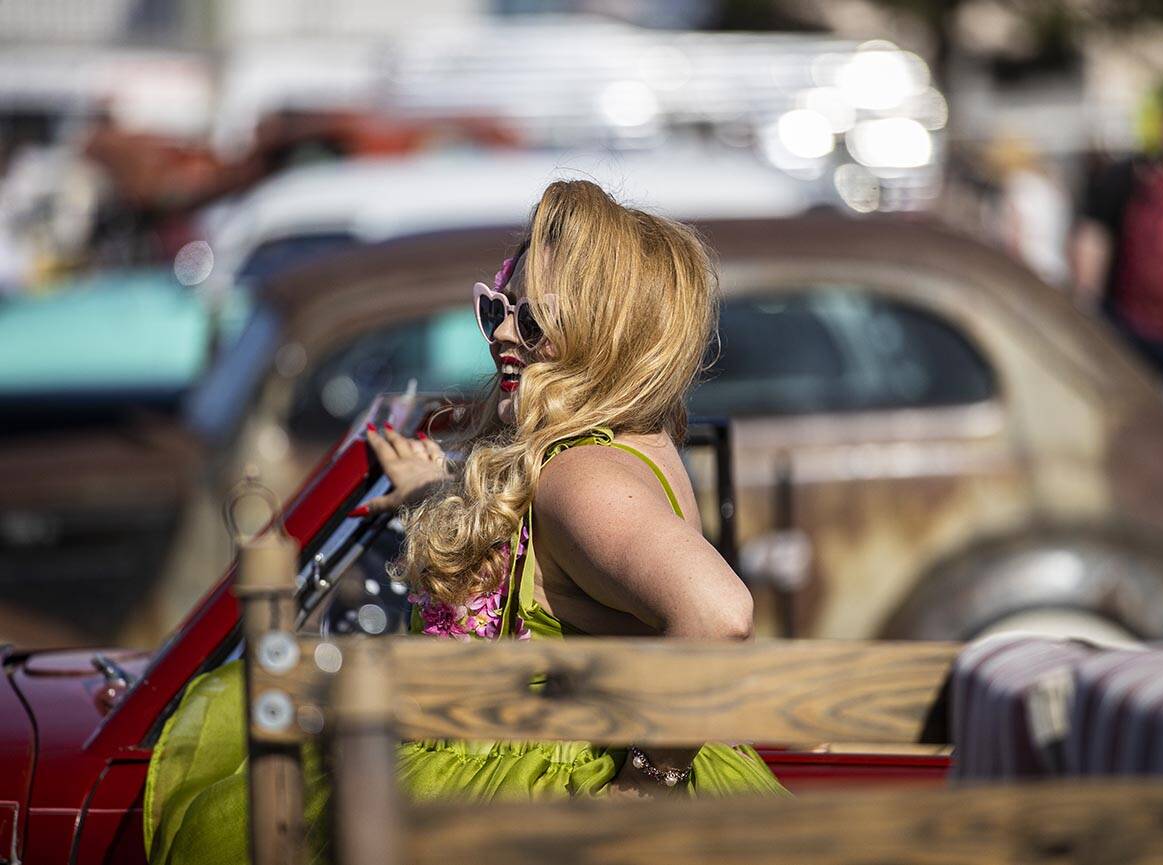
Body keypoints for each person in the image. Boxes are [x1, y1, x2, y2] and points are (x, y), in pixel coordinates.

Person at [144, 180, 787, 864]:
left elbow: (721, 613)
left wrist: (644, 785)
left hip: (541, 804)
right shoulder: (634, 443)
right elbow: (546, 588)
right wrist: (435, 492)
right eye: (496, 309)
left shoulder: (581, 477)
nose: (504, 333)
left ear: (609, 335)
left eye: (533, 322)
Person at [1070, 81, 1163, 409]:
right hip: (1155, 334)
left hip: (1133, 331)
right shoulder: (1130, 178)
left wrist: (1087, 312)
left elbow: (1091, 246)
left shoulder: (1128, 176)